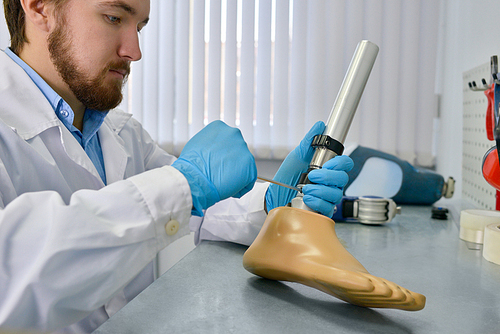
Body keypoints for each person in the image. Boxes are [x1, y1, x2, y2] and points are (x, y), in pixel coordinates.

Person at [0, 0, 352, 332]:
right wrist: (184, 183)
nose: (134, 51)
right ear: (38, 6)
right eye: (114, 17)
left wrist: (273, 203)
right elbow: (11, 277)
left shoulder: (121, 133)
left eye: (140, 25)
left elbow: (197, 212)